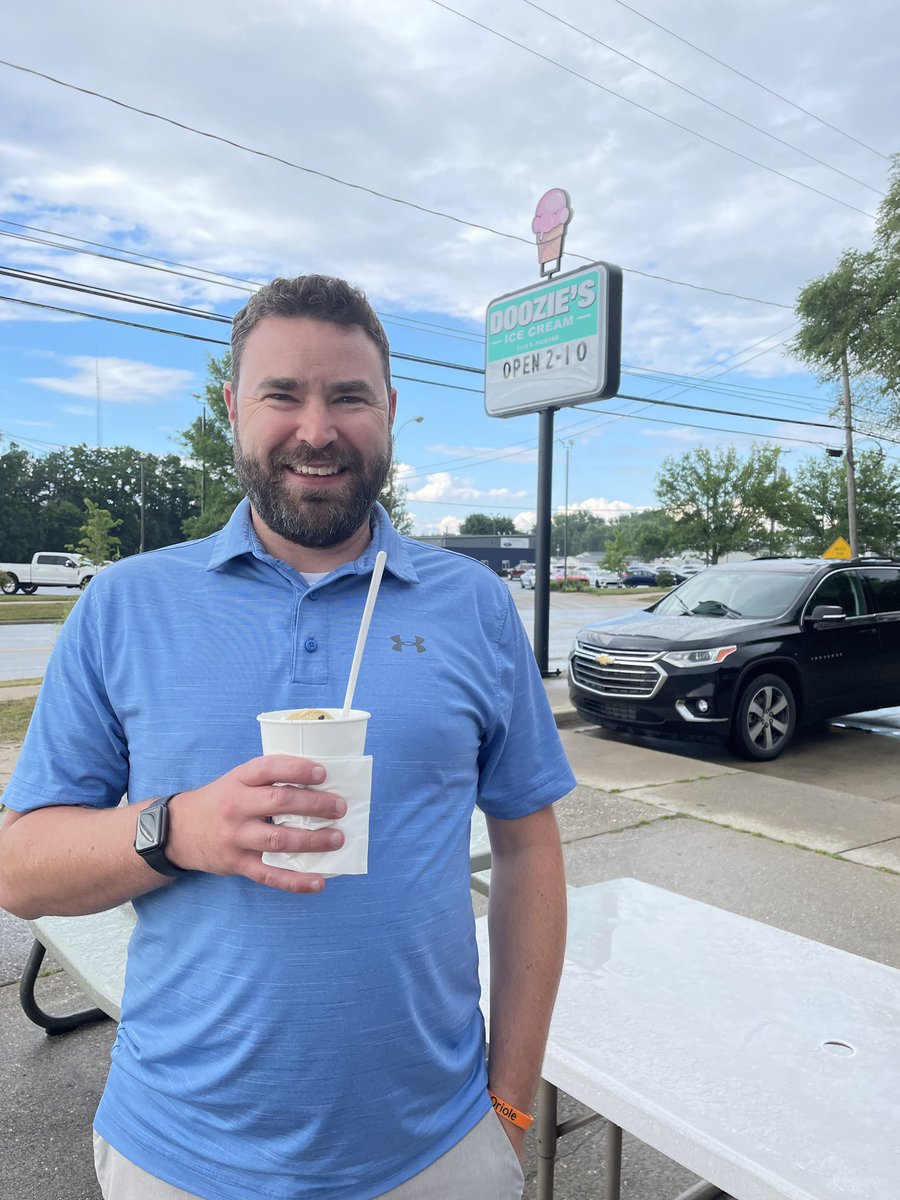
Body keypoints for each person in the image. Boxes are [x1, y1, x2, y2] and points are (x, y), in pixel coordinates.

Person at [0, 274, 575, 1200]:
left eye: (349, 396)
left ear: (389, 411)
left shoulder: (473, 605)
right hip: (176, 1157)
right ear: (232, 409)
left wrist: (509, 1101)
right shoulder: (125, 605)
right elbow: (19, 869)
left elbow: (529, 846)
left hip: (438, 1152)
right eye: (282, 394)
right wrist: (178, 830)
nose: (317, 428)